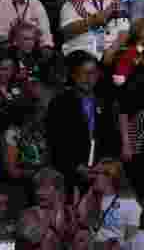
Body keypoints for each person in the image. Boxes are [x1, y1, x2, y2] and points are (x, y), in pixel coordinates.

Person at [46, 51, 121, 187]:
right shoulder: (60, 103)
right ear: (73, 75)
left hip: (101, 171)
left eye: (92, 73)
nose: (88, 78)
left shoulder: (105, 100)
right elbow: (57, 142)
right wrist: (78, 168)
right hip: (71, 174)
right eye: (83, 73)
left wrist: (107, 162)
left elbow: (112, 135)